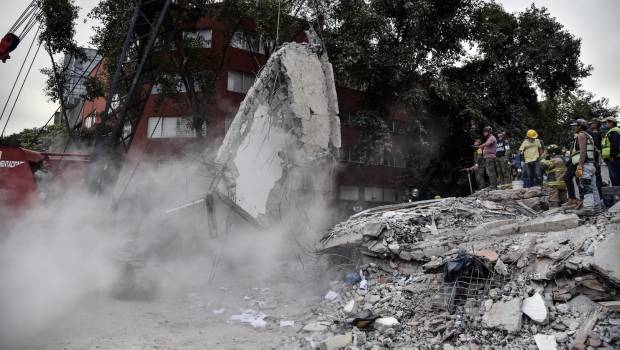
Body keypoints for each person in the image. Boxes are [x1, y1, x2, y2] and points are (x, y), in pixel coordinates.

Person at [570, 118, 603, 215]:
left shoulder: (581, 135)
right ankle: (597, 209)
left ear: (580, 126)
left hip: (585, 165)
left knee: (586, 187)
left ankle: (588, 208)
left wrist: (580, 166)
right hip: (590, 165)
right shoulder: (589, 135)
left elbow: (583, 151)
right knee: (593, 187)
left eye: (575, 126)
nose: (573, 128)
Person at [602, 116, 620, 186]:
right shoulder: (613, 131)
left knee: (615, 178)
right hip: (613, 158)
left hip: (614, 158)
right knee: (614, 177)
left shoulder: (614, 131)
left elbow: (614, 144)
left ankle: (617, 195)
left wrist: (612, 156)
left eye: (607, 122)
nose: (606, 124)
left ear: (611, 122)